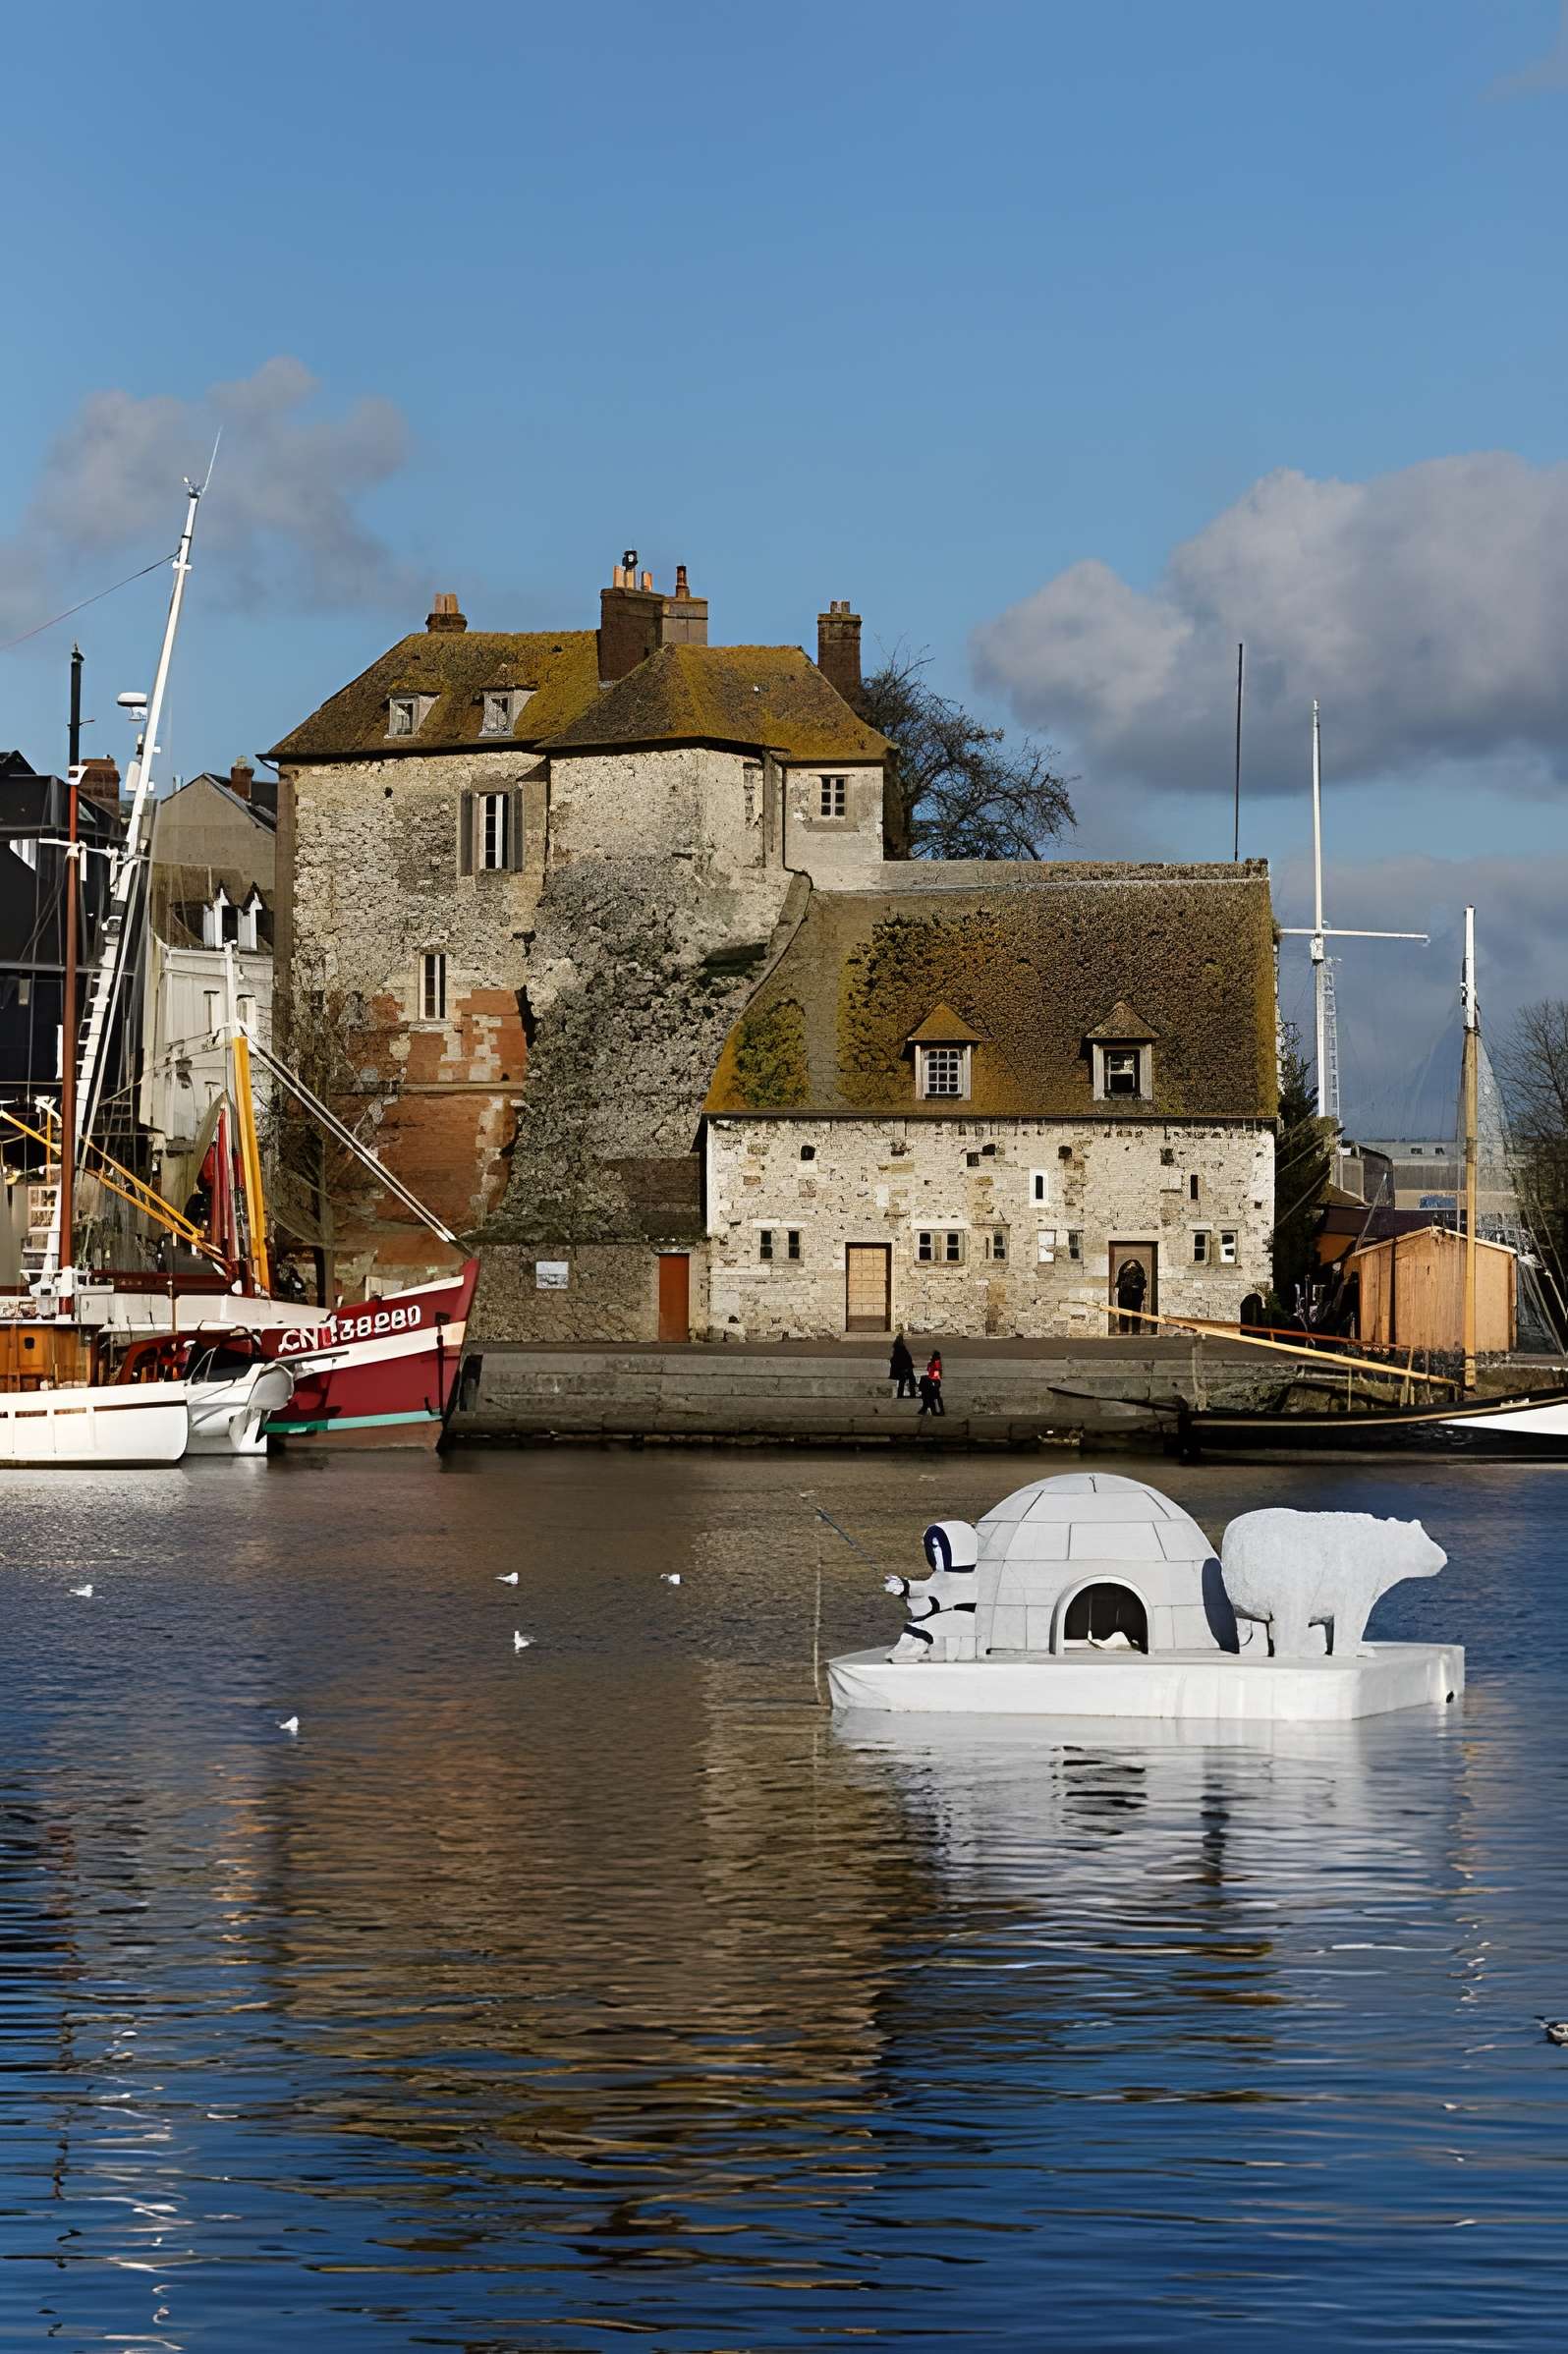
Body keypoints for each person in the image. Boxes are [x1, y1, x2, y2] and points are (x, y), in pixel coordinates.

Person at [1114, 1256, 1147, 1336]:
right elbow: (1119, 1283)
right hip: (1124, 1296)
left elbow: (1143, 1284)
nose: (1132, 1266)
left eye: (1134, 1264)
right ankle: (1123, 1331)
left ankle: (1136, 1331)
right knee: (1123, 1314)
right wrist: (1119, 1289)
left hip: (1136, 1296)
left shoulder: (1140, 1273)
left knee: (1136, 1314)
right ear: (1126, 1265)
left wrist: (1139, 1290)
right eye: (1130, 1264)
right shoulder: (1123, 1273)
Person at [889, 1332, 917, 1398]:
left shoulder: (897, 1349)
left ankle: (900, 1394)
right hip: (905, 1367)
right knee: (910, 1379)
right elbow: (905, 1359)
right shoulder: (901, 1348)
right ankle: (911, 1394)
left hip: (903, 1367)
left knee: (903, 1381)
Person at [922, 1350, 945, 1416]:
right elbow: (938, 1370)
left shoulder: (930, 1363)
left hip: (931, 1380)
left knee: (933, 1397)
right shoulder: (937, 1362)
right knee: (936, 1397)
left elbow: (929, 1370)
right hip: (935, 1380)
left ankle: (935, 1411)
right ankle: (940, 1411)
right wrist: (939, 1377)